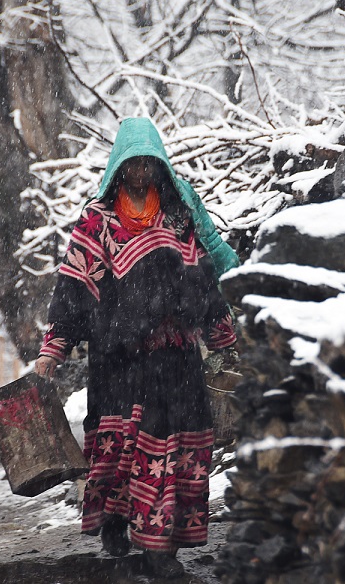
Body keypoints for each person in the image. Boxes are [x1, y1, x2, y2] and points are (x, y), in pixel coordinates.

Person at [33, 117, 239, 578]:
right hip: (119, 361)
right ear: (118, 167)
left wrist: (223, 336)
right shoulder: (97, 221)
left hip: (175, 358)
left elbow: (203, 278)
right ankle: (115, 525)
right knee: (121, 446)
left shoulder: (179, 213)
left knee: (175, 446)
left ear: (160, 163)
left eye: (149, 162)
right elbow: (73, 289)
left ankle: (161, 551)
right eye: (134, 163)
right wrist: (53, 349)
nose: (142, 171)